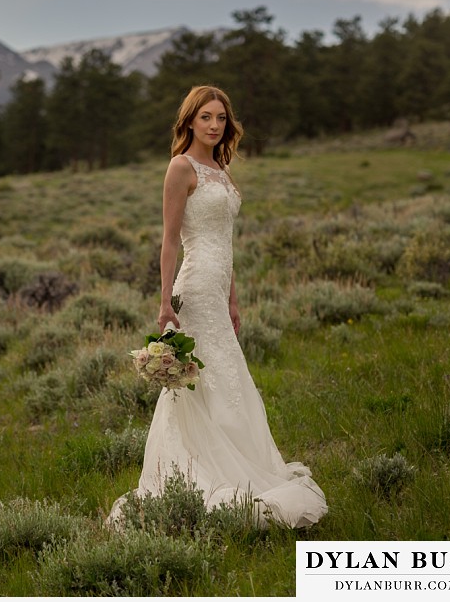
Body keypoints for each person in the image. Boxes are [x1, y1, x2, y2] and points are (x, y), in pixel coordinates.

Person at [108, 85, 328, 529]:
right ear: (189, 121)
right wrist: (165, 301)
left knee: (227, 376)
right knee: (197, 384)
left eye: (221, 119)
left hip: (218, 288)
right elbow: (171, 240)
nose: (214, 125)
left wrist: (233, 297)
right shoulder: (180, 167)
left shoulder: (220, 170)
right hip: (192, 287)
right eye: (205, 117)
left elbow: (224, 244)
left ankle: (239, 465)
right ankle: (190, 478)